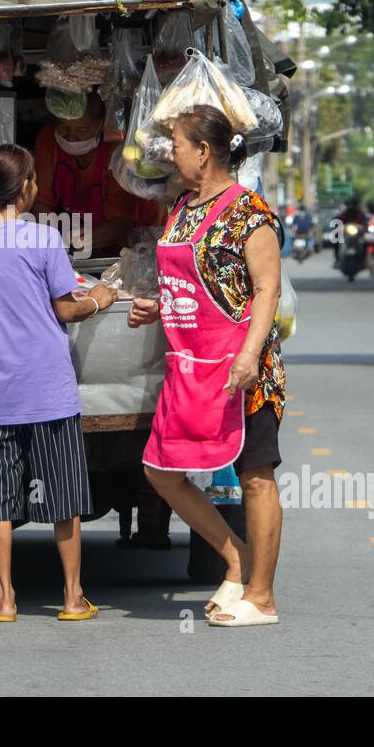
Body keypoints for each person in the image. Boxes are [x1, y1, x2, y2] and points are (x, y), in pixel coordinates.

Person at [127, 106, 287, 627]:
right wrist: (160, 305)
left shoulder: (249, 211)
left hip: (245, 371)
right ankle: (237, 558)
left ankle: (261, 596)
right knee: (160, 470)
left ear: (204, 151)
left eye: (177, 143)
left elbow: (267, 290)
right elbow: (191, 282)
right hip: (190, 367)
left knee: (255, 476)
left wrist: (247, 356)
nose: (170, 153)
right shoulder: (182, 207)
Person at [0, 144, 118, 622]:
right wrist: (100, 298)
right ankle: (72, 597)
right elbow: (66, 307)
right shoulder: (43, 239)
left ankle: (4, 600)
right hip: (46, 391)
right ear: (25, 189)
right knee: (64, 498)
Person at [33, 91, 165, 256]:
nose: (71, 137)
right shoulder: (49, 139)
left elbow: (122, 222)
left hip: (136, 245)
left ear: (102, 125)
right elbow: (41, 201)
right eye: (63, 127)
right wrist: (53, 238)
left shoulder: (116, 150)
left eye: (82, 129)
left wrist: (86, 240)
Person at [333, 195, 366, 264]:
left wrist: (364, 226)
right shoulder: (344, 214)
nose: (351, 206)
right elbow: (338, 220)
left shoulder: (360, 214)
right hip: (346, 234)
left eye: (352, 204)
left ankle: (365, 259)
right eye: (349, 204)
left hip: (358, 235)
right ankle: (337, 259)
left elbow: (365, 222)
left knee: (366, 242)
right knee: (336, 239)